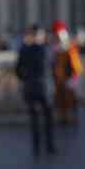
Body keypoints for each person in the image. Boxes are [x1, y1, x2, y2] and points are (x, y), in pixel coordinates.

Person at [16, 25, 56, 156]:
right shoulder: (48, 49)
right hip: (46, 87)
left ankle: (36, 147)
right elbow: (53, 68)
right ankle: (50, 146)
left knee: (34, 119)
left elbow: (18, 70)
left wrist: (25, 79)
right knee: (48, 119)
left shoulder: (24, 50)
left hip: (30, 87)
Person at [51, 20, 83, 124]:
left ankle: (71, 117)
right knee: (60, 98)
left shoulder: (70, 48)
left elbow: (75, 64)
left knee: (71, 98)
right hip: (59, 78)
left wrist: (74, 75)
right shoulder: (55, 49)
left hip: (69, 77)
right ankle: (63, 117)